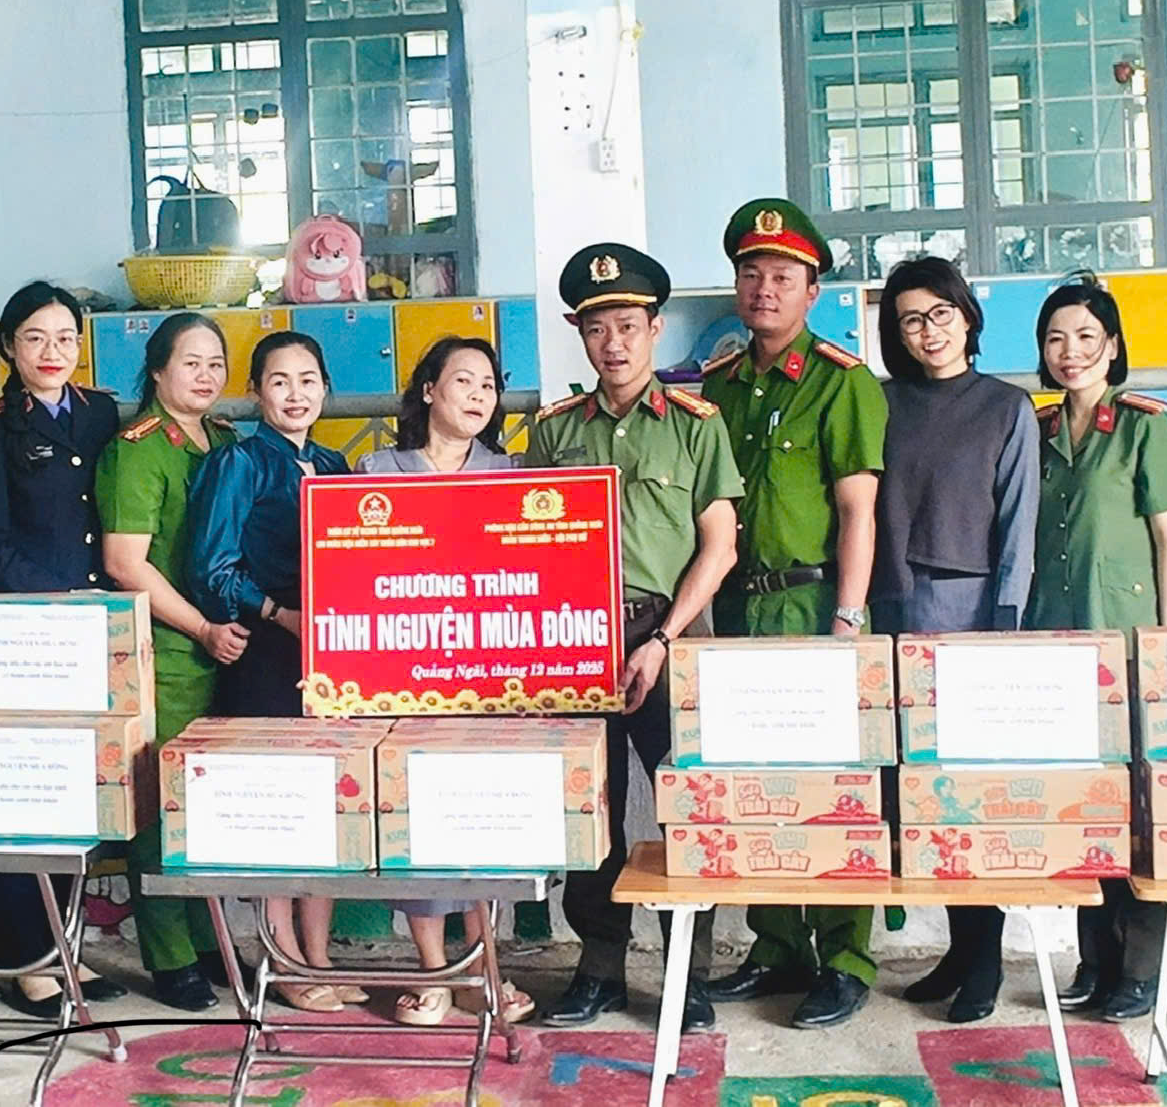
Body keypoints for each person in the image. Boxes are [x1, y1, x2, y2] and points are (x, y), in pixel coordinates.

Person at [525, 244, 741, 1036]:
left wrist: (664, 637)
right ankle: (599, 967)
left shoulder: (693, 427)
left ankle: (689, 969)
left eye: (625, 324)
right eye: (594, 327)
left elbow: (718, 545)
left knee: (686, 806)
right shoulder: (553, 432)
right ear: (579, 336)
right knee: (591, 809)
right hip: (575, 638)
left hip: (668, 634)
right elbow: (527, 543)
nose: (611, 342)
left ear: (653, 329)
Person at [698, 200, 887, 1031]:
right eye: (750, 273)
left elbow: (858, 511)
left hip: (815, 604)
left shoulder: (843, 382)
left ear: (812, 290)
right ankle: (775, 939)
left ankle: (843, 955)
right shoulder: (716, 389)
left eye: (781, 276)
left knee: (835, 784)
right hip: (742, 608)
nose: (763, 288)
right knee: (755, 782)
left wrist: (847, 617)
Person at [872, 256, 1038, 1025]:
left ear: (967, 316)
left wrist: (1002, 624)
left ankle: (984, 956)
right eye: (909, 318)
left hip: (971, 611)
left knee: (969, 794)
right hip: (892, 605)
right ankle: (954, 945)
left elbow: (1018, 525)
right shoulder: (881, 402)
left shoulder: (1005, 406)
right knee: (916, 793)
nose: (926, 330)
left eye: (939, 313)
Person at [0, 281, 128, 1016]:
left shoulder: (99, 411)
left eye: (65, 337)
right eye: (35, 338)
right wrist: (55, 601)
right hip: (26, 631)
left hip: (96, 625)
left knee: (74, 794)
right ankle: (26, 956)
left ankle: (66, 945)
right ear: (7, 347)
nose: (52, 352)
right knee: (25, 792)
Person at [357, 336, 536, 1029]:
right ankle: (434, 971)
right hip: (400, 674)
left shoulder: (512, 473)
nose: (476, 394)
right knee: (414, 817)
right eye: (462, 379)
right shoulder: (378, 468)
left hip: (487, 677)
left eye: (488, 384)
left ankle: (483, 966)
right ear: (428, 388)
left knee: (480, 817)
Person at [1026, 274, 1167, 1024]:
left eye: (1086, 337)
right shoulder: (1037, 429)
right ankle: (1094, 961)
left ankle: (1140, 971)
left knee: (1139, 810)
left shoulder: (1144, 425)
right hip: (1058, 644)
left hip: (1126, 644)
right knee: (1086, 808)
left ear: (1112, 346)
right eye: (1055, 338)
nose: (1070, 352)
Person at [188, 331, 360, 1013]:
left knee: (325, 807)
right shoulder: (240, 463)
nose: (295, 394)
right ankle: (282, 958)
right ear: (257, 391)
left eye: (308, 379)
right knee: (283, 809)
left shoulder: (334, 463)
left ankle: (320, 955)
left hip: (330, 656)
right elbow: (212, 565)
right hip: (266, 652)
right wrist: (276, 611)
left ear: (324, 388)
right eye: (279, 381)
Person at [101, 312, 242, 1012]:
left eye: (215, 361)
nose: (206, 374)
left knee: (208, 803)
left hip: (225, 649)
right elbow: (126, 563)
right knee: (160, 805)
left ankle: (207, 931)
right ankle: (169, 955)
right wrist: (202, 627)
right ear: (157, 370)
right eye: (191, 361)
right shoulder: (138, 448)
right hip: (169, 651)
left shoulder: (223, 441)